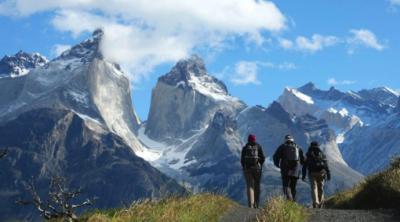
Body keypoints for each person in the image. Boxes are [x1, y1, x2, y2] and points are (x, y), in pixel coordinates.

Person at [273, 135, 305, 202]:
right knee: (293, 187)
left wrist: (277, 165)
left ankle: (289, 202)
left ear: (285, 140)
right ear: (292, 140)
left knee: (286, 186)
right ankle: (293, 203)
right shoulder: (298, 147)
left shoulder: (282, 147)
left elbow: (275, 156)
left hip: (285, 169)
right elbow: (303, 159)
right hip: (296, 171)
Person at [302, 141, 331, 208]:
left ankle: (315, 202)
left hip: (312, 173)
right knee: (321, 188)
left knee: (314, 188)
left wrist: (303, 176)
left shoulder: (308, 154)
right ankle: (321, 202)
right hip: (321, 173)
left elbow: (304, 166)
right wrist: (328, 174)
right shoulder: (321, 153)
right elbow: (326, 165)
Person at [241, 134, 265, 208]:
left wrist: (244, 167)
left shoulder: (245, 148)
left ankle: (250, 205)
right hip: (257, 169)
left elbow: (242, 160)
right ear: (255, 139)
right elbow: (263, 158)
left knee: (250, 186)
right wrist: (259, 164)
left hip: (248, 169)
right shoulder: (258, 146)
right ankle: (256, 204)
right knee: (257, 186)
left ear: (248, 139)